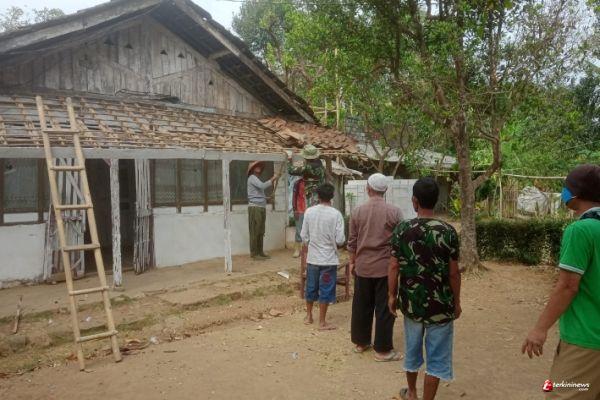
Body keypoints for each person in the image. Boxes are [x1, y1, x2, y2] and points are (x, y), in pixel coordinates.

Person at [522, 164, 600, 400]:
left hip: (585, 341)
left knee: (562, 393)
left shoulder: (580, 230)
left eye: (566, 187)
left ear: (576, 195)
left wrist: (539, 329)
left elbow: (568, 286)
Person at [388, 177, 461, 400]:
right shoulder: (448, 231)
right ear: (436, 200)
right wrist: (456, 302)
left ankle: (411, 392)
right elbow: (453, 273)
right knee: (437, 359)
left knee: (412, 349)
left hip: (412, 304)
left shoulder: (402, 229)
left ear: (415, 201)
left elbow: (393, 266)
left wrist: (391, 296)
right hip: (441, 306)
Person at [348, 173, 402, 361]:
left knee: (361, 305)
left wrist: (352, 262)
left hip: (363, 266)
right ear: (385, 190)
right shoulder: (395, 212)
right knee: (385, 308)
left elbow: (352, 241)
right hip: (385, 268)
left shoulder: (357, 211)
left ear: (368, 189)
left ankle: (361, 342)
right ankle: (383, 350)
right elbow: (399, 242)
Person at [300, 183, 345, 331]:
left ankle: (308, 316)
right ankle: (322, 322)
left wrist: (311, 244)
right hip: (328, 261)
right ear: (332, 197)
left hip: (313, 259)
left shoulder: (309, 212)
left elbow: (304, 236)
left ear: (318, 196)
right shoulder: (336, 214)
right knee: (326, 289)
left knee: (311, 287)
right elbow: (340, 240)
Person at [289, 144, 326, 258]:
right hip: (315, 202)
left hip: (309, 202)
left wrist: (290, 159)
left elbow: (291, 170)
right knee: (311, 226)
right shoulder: (320, 166)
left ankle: (302, 249)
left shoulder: (309, 167)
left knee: (302, 227)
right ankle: (306, 249)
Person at [247, 161, 280, 260]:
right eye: (256, 166)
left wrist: (267, 198)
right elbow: (262, 186)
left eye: (259, 166)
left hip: (260, 207)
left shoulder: (256, 179)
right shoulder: (252, 178)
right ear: (252, 169)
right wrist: (274, 178)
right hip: (255, 208)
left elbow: (258, 194)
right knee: (255, 231)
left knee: (261, 231)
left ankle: (260, 252)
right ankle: (254, 254)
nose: (258, 167)